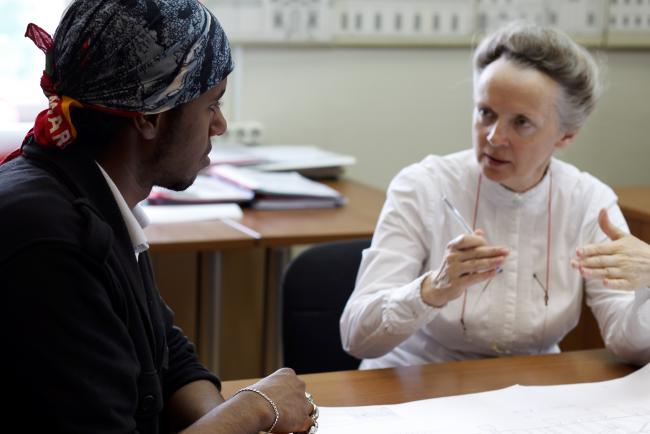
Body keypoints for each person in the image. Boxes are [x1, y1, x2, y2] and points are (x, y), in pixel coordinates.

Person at [0, 1, 319, 433]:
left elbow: (164, 355)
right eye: (211, 104)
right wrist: (254, 409)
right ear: (149, 116)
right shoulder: (50, 241)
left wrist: (228, 421)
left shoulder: (91, 196)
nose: (220, 125)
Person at [340, 23, 650, 369]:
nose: (493, 137)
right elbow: (356, 336)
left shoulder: (590, 202)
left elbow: (631, 347)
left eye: (521, 122)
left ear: (566, 136)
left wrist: (648, 287)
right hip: (416, 378)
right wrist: (433, 289)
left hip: (531, 386)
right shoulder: (423, 186)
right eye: (485, 113)